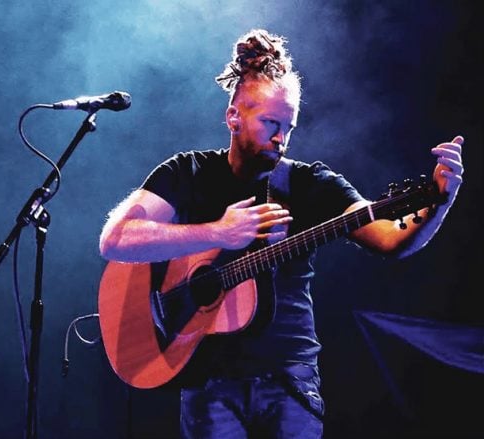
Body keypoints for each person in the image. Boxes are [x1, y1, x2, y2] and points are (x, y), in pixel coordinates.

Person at [98, 28, 463, 438]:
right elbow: (115, 239)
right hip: (207, 381)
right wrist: (217, 233)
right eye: (270, 122)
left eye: (289, 126)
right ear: (233, 116)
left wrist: (437, 204)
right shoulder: (188, 172)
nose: (281, 138)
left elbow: (389, 240)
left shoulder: (311, 183)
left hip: (290, 380)